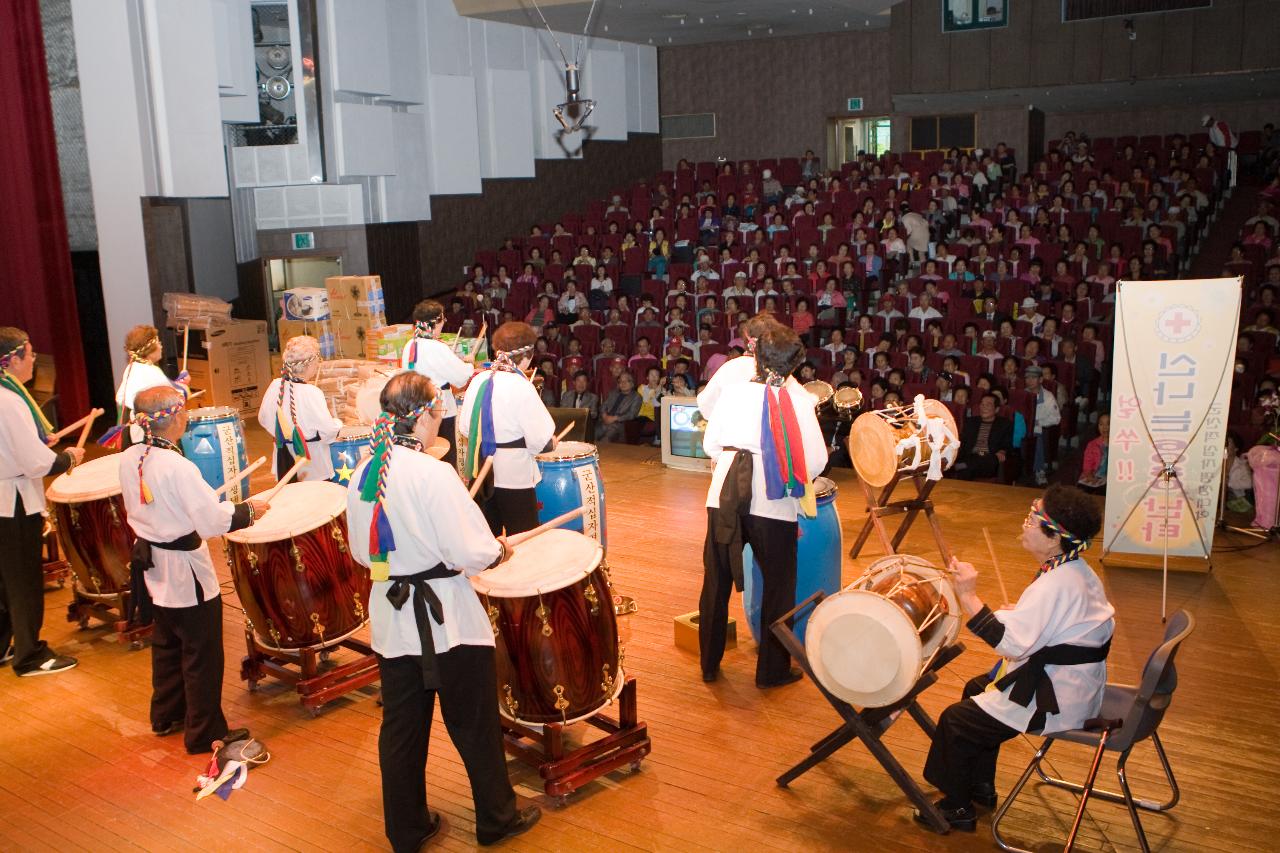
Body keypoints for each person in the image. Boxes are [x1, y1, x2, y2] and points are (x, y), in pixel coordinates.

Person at [345, 372, 541, 851]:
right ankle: (496, 818)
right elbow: (470, 550)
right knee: (474, 723)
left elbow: (359, 552)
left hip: (393, 621)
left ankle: (406, 829)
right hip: (444, 621)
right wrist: (497, 551)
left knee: (401, 729)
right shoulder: (434, 473)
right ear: (427, 415)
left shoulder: (363, 472)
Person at [920, 485, 1114, 831]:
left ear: (1054, 538)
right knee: (976, 688)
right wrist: (1019, 613)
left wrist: (968, 596)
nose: (1025, 524)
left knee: (956, 721)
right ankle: (979, 785)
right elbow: (1054, 627)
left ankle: (957, 808)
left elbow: (1011, 645)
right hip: (1074, 682)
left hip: (1058, 696)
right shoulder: (1075, 569)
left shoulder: (1055, 583)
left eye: (1032, 518)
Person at [120, 386, 268, 750]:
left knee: (167, 643)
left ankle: (166, 714)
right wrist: (247, 511)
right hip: (186, 573)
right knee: (201, 652)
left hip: (154, 567)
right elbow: (209, 521)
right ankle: (205, 732)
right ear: (177, 417)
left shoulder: (130, 457)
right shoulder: (177, 466)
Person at [699, 326, 828, 687]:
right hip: (774, 504)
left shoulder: (733, 392)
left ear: (755, 356)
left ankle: (709, 664)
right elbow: (815, 461)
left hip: (723, 492)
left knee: (715, 581)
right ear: (795, 366)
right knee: (777, 587)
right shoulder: (798, 400)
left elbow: (711, 444)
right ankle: (771, 672)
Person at [0, 328, 84, 675]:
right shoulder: (10, 400)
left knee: (4, 581)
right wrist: (67, 458)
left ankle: (4, 644)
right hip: (12, 500)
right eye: (30, 353)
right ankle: (30, 655)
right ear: (13, 359)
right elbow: (34, 461)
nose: (34, 359)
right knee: (22, 580)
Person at [458, 322, 556, 536]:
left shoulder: (478, 380)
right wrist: (552, 442)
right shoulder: (522, 386)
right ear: (528, 355)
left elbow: (465, 429)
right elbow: (542, 442)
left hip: (481, 474)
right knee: (522, 540)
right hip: (515, 476)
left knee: (486, 542)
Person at [401, 300, 476, 469]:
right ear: (436, 322)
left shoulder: (409, 345)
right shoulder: (436, 347)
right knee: (444, 457)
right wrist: (469, 363)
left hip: (414, 408)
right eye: (443, 320)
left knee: (421, 457)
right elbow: (461, 377)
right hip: (438, 411)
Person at [258, 335, 343, 481]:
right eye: (317, 362)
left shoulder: (275, 386)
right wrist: (338, 424)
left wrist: (284, 435)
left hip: (283, 458)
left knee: (291, 498)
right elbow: (328, 430)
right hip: (312, 461)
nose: (317, 366)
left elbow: (263, 419)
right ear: (309, 365)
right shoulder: (312, 392)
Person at [110, 324, 190, 447]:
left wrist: (177, 384)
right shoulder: (150, 371)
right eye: (158, 343)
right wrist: (183, 386)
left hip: (133, 428)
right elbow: (174, 401)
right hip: (146, 432)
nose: (161, 346)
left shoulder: (133, 367)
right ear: (150, 349)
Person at [695, 314, 779, 419]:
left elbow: (705, 406)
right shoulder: (780, 371)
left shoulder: (731, 367)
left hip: (732, 428)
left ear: (746, 341)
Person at [953, 393, 1012, 480]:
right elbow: (962, 441)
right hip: (972, 456)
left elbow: (1007, 444)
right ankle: (966, 466)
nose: (984, 407)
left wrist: (1002, 451)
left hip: (989, 458)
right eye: (982, 404)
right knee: (967, 469)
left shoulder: (1004, 424)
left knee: (991, 460)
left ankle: (964, 466)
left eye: (988, 405)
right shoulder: (971, 422)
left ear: (996, 409)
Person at [1025, 364, 1062, 486]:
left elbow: (1056, 418)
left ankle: (1040, 471)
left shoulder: (1048, 396)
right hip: (1022, 427)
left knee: (1037, 436)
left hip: (1038, 427)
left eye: (1033, 377)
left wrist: (1037, 422)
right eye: (1027, 378)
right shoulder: (1022, 394)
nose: (1029, 381)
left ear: (1040, 380)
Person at [596, 371, 642, 443]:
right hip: (604, 422)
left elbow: (632, 414)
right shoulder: (613, 393)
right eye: (620, 381)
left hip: (619, 424)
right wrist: (604, 415)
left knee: (605, 439)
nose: (623, 384)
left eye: (626, 381)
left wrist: (615, 418)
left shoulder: (636, 397)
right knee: (590, 436)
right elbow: (603, 406)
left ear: (632, 383)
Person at [1077, 412, 1110, 494]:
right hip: (1094, 476)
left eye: (1108, 424)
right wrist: (1090, 476)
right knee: (1081, 490)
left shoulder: (1118, 445)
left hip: (1109, 479)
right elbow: (1087, 466)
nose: (1105, 427)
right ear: (1098, 426)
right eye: (1101, 424)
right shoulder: (1092, 445)